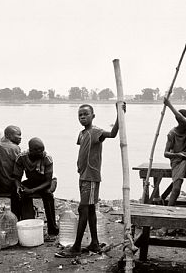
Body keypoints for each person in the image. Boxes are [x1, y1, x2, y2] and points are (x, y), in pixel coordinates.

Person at [55, 102, 123, 258]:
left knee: (83, 208)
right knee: (90, 209)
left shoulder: (96, 132)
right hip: (83, 175)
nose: (82, 117)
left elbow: (113, 133)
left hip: (91, 176)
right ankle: (94, 242)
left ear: (93, 116)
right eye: (80, 115)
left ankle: (77, 246)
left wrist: (119, 114)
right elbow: (83, 150)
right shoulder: (82, 134)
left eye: (85, 114)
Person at [16, 137, 60, 240]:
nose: (41, 152)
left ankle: (52, 229)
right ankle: (24, 223)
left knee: (48, 195)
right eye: (37, 150)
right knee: (19, 194)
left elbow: (48, 181)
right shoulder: (21, 157)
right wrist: (19, 187)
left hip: (47, 182)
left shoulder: (47, 158)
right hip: (32, 180)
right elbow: (17, 177)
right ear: (30, 150)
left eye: (42, 149)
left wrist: (32, 190)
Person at [158, 108, 186, 207]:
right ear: (182, 121)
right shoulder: (172, 133)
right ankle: (169, 210)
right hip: (178, 160)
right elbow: (166, 153)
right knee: (176, 188)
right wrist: (178, 155)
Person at [0, 125, 23, 211]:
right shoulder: (15, 148)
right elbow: (19, 171)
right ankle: (17, 216)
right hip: (8, 186)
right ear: (8, 135)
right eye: (18, 135)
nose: (20, 138)